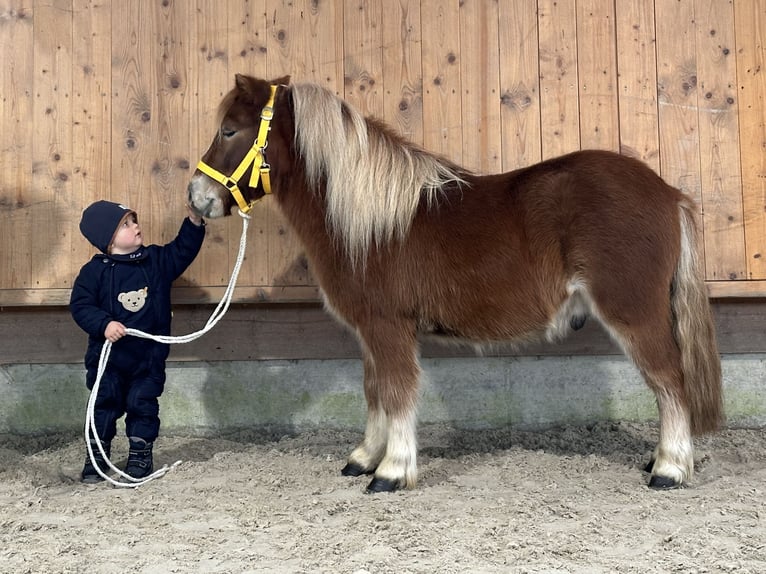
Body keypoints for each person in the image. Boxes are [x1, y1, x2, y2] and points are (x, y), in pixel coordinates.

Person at [70, 200, 205, 483]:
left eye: (134, 220)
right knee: (103, 405)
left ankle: (140, 454)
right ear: (108, 239)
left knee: (143, 404)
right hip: (108, 360)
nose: (136, 227)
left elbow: (183, 250)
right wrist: (104, 324)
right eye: (126, 225)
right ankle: (97, 455)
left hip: (148, 358)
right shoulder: (93, 273)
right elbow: (81, 306)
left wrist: (194, 221)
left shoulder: (156, 261)